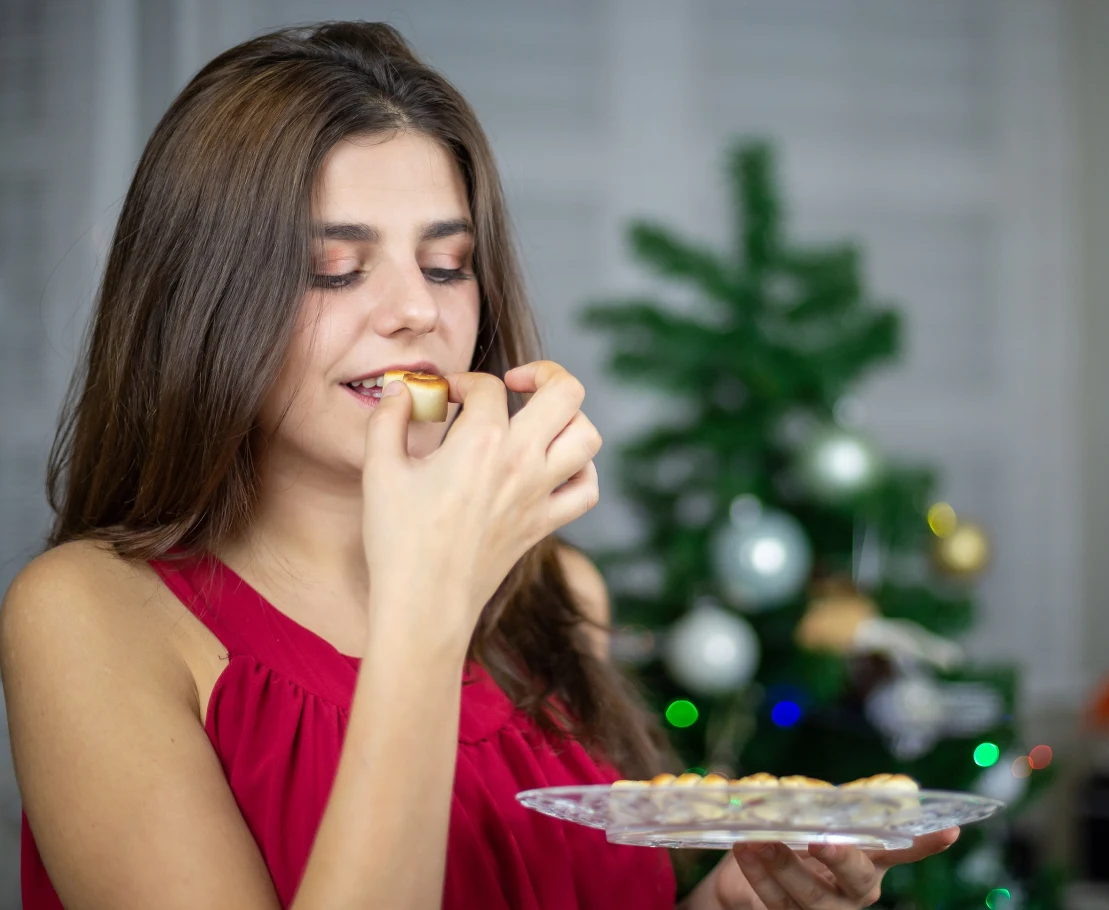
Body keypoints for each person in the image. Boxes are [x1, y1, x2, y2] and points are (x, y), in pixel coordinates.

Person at [0, 21, 957, 910]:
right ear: (201, 300)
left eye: (447, 264)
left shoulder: (558, 593)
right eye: (336, 268)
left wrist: (735, 903)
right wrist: (430, 594)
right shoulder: (89, 617)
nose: (416, 311)